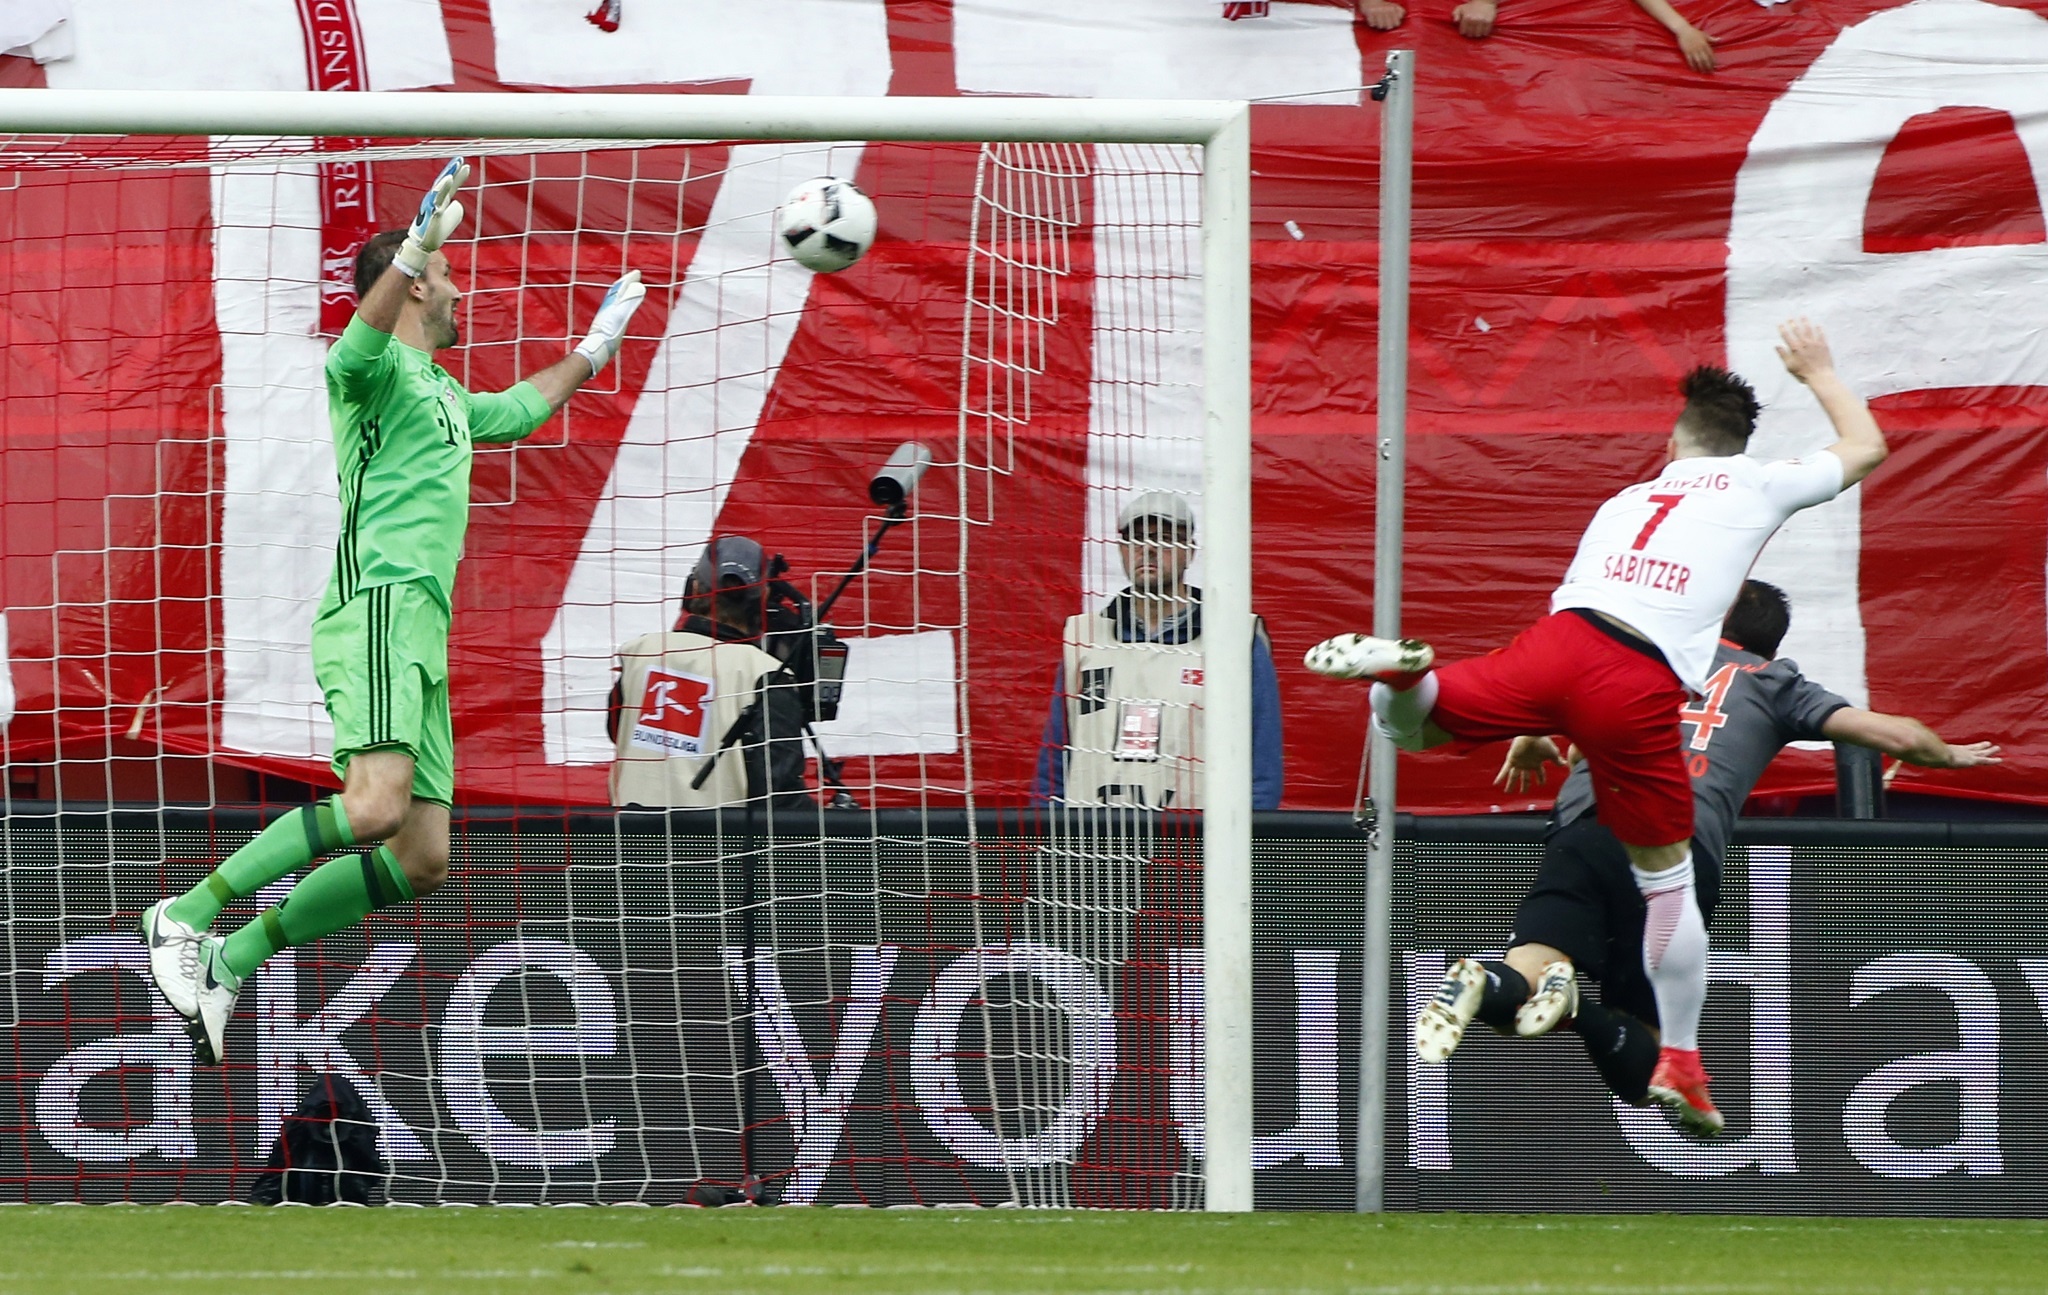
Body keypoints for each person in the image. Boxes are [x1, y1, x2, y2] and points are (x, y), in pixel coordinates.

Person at [1306, 318, 1888, 1120]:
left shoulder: (1624, 500)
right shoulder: (1758, 481)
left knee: (1418, 726)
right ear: (1737, 446)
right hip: (1634, 681)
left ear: (1675, 439)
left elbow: (1582, 627)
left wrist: (1542, 720)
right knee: (1669, 887)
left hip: (1557, 646)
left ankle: (1411, 678)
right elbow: (1865, 446)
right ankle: (1682, 1058)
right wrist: (1819, 370)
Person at [140, 158, 648, 1065]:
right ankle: (188, 913)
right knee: (372, 807)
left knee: (421, 856)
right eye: (449, 279)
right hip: (378, 605)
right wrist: (413, 249)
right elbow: (351, 346)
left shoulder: (448, 396)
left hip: (423, 628)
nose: (462, 296)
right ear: (413, 286)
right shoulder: (369, 377)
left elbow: (523, 409)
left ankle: (230, 959)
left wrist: (598, 346)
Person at [1412, 580, 2001, 1133]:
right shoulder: (1776, 683)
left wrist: (1533, 733)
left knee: (1523, 978)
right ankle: (1576, 1011)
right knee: (1647, 1061)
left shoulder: (1643, 653)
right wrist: (1948, 755)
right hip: (1673, 855)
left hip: (1591, 826)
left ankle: (1490, 981)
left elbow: (1543, 697)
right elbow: (1898, 737)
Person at [1034, 490, 1284, 811]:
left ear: (1189, 552)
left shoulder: (1234, 638)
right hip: (1094, 850)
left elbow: (1262, 769)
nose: (1148, 549)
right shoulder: (1085, 638)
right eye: (1136, 540)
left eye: (1164, 539)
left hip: (1195, 852)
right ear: (1122, 551)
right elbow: (1053, 765)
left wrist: (1242, 848)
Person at [607, 534, 812, 811]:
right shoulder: (766, 674)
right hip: (721, 850)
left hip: (630, 843)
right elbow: (781, 793)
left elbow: (617, 729)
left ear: (693, 588)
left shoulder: (642, 652)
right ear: (762, 600)